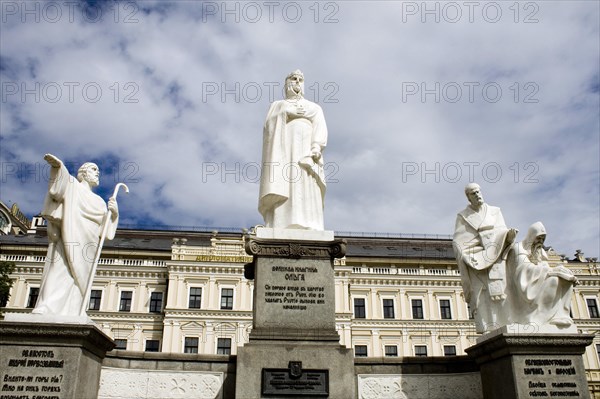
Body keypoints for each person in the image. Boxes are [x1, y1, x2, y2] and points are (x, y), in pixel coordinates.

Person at [32, 154, 119, 317]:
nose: (97, 173)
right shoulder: (73, 186)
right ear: (83, 173)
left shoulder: (99, 201)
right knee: (60, 267)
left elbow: (105, 232)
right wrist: (58, 167)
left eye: (98, 171)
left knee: (79, 278)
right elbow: (59, 187)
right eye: (94, 170)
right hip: (70, 232)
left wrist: (114, 214)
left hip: (89, 241)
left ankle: (75, 309)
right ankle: (48, 305)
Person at [258, 70, 328, 230]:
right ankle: (280, 222)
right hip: (285, 151)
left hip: (306, 152)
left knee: (305, 180)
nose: (297, 82)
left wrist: (316, 147)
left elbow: (320, 126)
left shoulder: (314, 107)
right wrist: (286, 112)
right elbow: (268, 127)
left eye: (300, 79)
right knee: (287, 179)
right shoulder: (278, 105)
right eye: (293, 79)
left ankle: (309, 223)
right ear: (286, 83)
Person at [452, 183, 518, 333]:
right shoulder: (463, 217)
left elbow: (501, 231)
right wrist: (470, 254)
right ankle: (488, 328)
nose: (477, 195)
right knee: (482, 294)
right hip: (476, 260)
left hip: (497, 257)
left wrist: (509, 236)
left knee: (502, 290)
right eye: (473, 193)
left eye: (478, 192)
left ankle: (505, 323)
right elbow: (459, 241)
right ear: (468, 197)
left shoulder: (495, 211)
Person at [506, 222, 578, 329]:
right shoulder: (519, 248)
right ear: (531, 236)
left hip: (538, 280)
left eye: (543, 239)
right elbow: (522, 270)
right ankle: (537, 317)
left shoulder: (540, 252)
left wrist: (558, 271)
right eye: (538, 238)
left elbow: (544, 266)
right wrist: (550, 271)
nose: (540, 241)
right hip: (523, 286)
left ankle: (560, 315)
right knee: (554, 280)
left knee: (564, 280)